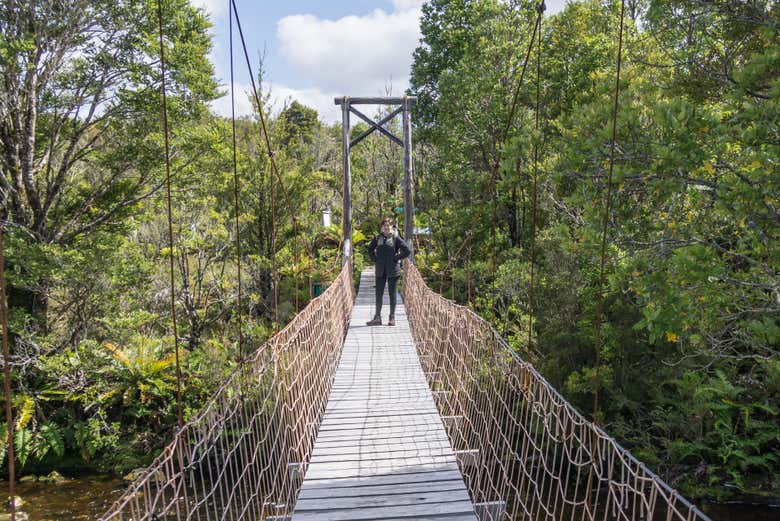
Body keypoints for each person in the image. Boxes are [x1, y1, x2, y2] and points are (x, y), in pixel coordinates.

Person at [366, 217, 411, 326]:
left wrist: (396, 258)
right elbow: (370, 249)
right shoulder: (377, 238)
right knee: (378, 294)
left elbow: (407, 251)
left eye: (388, 225)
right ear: (382, 227)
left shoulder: (396, 238)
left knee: (392, 294)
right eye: (384, 225)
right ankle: (377, 318)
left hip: (393, 271)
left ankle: (392, 318)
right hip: (380, 270)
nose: (386, 227)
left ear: (392, 226)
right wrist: (375, 259)